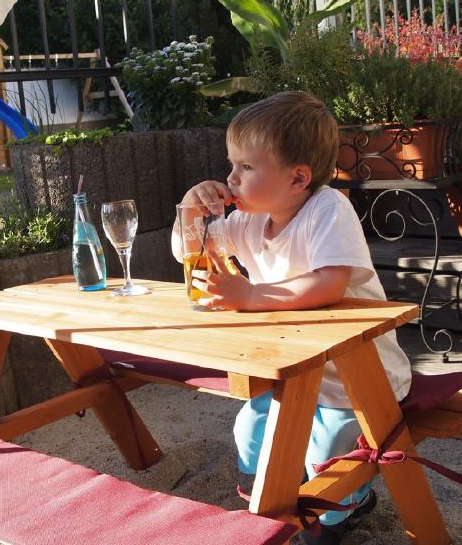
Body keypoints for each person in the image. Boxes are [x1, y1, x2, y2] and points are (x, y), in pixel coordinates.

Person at [171, 91, 413, 544]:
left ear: (298, 178)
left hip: (357, 378)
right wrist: (190, 209)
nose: (230, 178)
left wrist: (251, 295)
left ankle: (347, 509)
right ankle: (279, 494)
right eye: (231, 164)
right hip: (295, 374)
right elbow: (190, 252)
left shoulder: (327, 209)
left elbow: (330, 283)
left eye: (246, 166)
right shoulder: (248, 221)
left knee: (330, 454)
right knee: (250, 428)